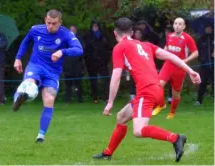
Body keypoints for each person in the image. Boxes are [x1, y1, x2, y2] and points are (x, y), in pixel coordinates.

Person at [93, 17, 201, 162]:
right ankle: (108, 152)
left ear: (115, 33)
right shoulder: (145, 45)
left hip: (147, 92)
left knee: (138, 130)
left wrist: (110, 101)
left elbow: (116, 76)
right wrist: (190, 71)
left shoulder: (119, 48)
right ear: (131, 32)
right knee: (122, 117)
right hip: (155, 90)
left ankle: (176, 138)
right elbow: (171, 56)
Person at [13, 9, 83, 142]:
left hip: (52, 72)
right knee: (29, 83)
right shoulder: (35, 30)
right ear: (45, 19)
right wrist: (18, 58)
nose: (50, 26)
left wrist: (62, 52)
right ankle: (18, 99)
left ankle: (40, 136)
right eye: (48, 22)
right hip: (36, 65)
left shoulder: (66, 34)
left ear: (60, 23)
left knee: (49, 98)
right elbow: (26, 41)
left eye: (54, 23)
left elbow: (79, 49)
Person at [152, 17, 199, 119]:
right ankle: (161, 104)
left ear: (184, 27)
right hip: (168, 65)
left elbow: (196, 53)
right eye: (176, 24)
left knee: (175, 93)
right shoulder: (169, 36)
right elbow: (166, 49)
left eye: (180, 24)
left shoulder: (187, 38)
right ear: (173, 25)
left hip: (180, 68)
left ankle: (172, 113)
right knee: (158, 85)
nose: (177, 26)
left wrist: (185, 61)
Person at [84, 20, 111, 103]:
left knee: (105, 80)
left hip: (103, 62)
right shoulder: (88, 36)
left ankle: (106, 97)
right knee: (93, 81)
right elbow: (86, 50)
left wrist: (106, 58)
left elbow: (108, 48)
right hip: (91, 62)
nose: (95, 28)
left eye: (96, 26)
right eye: (93, 26)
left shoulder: (104, 36)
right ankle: (95, 98)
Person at [63, 25, 85, 103]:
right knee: (68, 84)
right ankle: (68, 100)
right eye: (70, 30)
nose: (72, 31)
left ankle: (80, 99)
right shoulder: (65, 40)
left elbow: (82, 51)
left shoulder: (79, 40)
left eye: (73, 30)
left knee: (78, 83)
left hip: (77, 66)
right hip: (67, 66)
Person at [195, 23, 214, 105]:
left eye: (210, 28)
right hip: (204, 65)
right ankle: (199, 100)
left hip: (213, 64)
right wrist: (201, 59)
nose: (208, 29)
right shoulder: (201, 39)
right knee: (202, 83)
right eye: (207, 28)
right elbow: (197, 51)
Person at [0, 31, 8, 105]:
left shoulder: (2, 36)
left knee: (0, 82)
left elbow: (4, 45)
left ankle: (0, 100)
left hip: (0, 63)